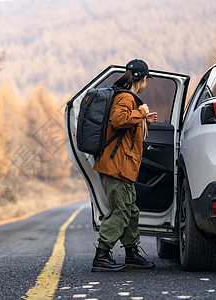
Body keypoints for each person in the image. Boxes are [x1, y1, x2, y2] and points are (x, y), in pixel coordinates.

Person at [91, 59, 158, 272]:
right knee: (120, 211)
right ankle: (102, 254)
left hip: (122, 166)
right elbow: (118, 120)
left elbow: (124, 129)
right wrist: (141, 112)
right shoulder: (126, 97)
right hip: (116, 166)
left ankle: (132, 253)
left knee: (131, 210)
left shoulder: (125, 97)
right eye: (147, 79)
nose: (147, 82)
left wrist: (144, 120)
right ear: (142, 78)